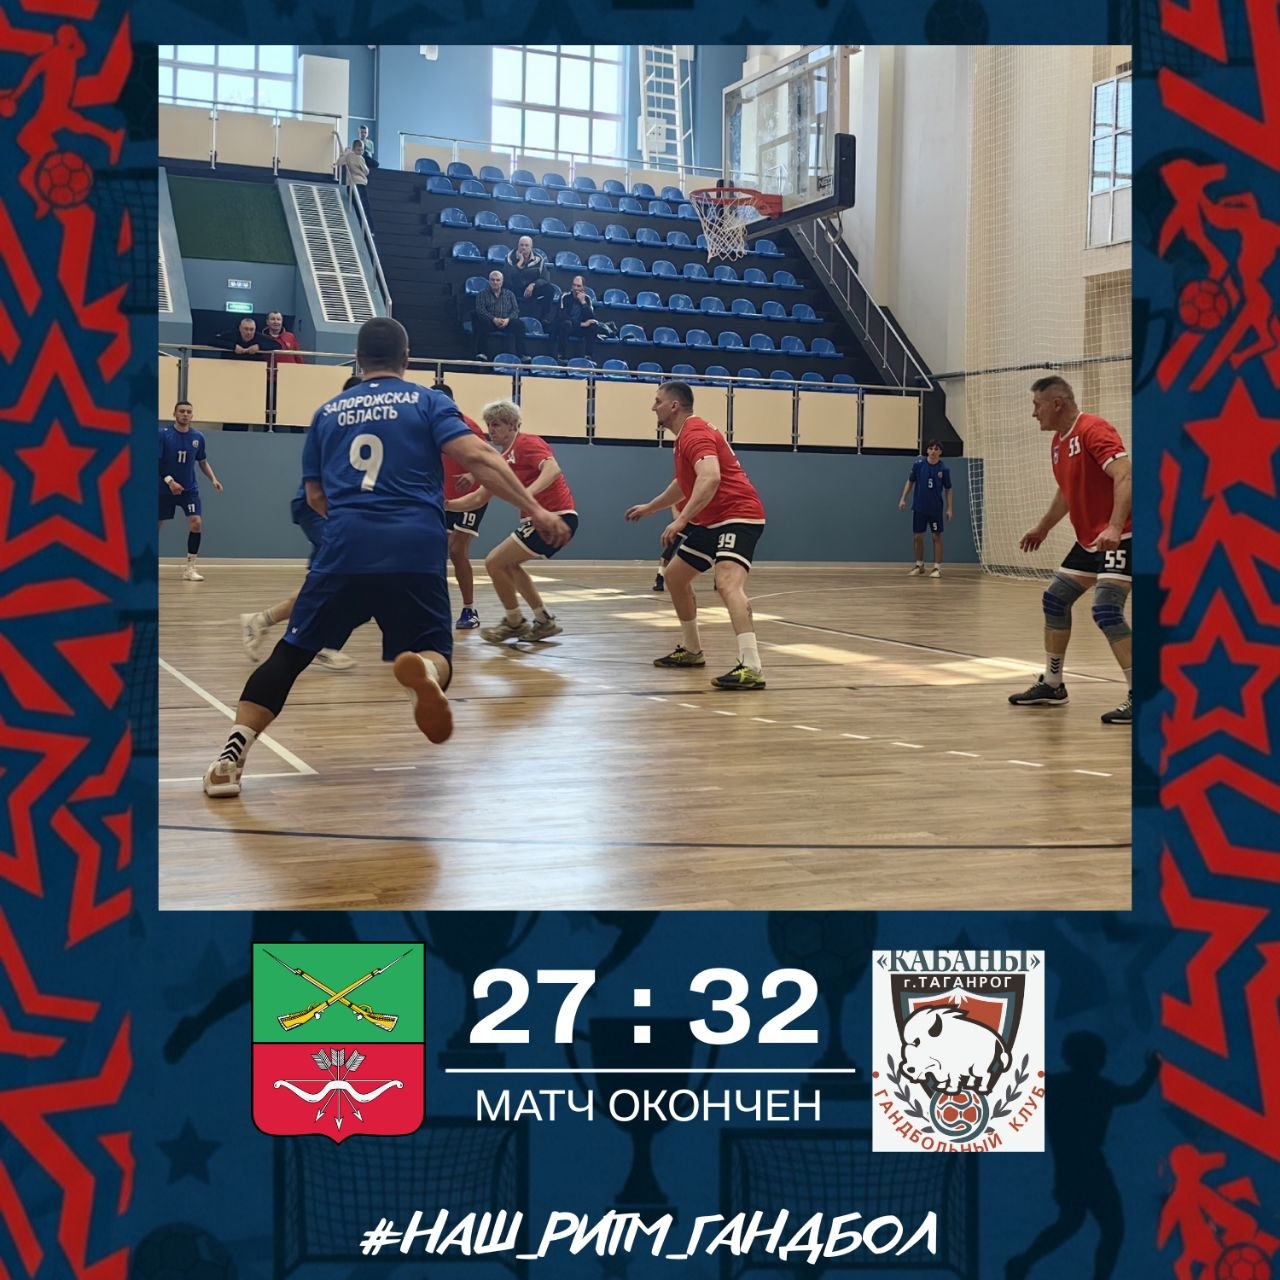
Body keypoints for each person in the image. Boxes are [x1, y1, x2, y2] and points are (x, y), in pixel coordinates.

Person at [203, 318, 570, 798]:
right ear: (407, 358)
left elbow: (315, 497)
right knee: (434, 647)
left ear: (358, 359)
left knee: (290, 654)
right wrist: (536, 509)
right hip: (415, 546)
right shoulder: (428, 402)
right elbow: (481, 458)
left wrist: (356, 522)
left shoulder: (327, 413)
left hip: (347, 545)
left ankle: (230, 758)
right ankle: (426, 674)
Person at [625, 381, 768, 690]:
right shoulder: (684, 438)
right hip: (712, 520)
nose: (653, 407)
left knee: (727, 583)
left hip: (738, 516)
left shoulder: (695, 433)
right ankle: (692, 651)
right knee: (675, 577)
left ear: (674, 405)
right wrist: (650, 507)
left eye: (658, 401)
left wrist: (680, 521)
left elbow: (711, 477)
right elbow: (684, 483)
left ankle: (752, 667)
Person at [1009, 376, 1133, 724]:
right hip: (1090, 541)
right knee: (1055, 599)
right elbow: (1067, 492)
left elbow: (1125, 475)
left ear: (1057, 404)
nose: (1034, 413)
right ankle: (1053, 685)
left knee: (1106, 609)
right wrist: (1043, 527)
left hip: (1124, 534)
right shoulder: (1058, 443)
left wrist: (1114, 526)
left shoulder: (1093, 429)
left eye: (1037, 405)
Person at [1005, 1033, 1159, 1280]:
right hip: (1093, 1170)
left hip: (1068, 1171)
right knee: (1110, 1228)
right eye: (1100, 1055)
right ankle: (1028, 1263)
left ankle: (1023, 1262)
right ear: (1094, 1059)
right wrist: (1152, 1070)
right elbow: (1134, 1093)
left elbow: (1017, 1074)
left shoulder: (1056, 1085)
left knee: (1071, 1223)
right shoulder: (1099, 1088)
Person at [239, 375, 363, 672]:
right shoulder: (338, 424)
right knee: (344, 577)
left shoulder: (360, 427)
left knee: (325, 583)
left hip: (333, 512)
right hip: (317, 509)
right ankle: (325, 645)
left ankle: (261, 621)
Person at [445, 398, 578, 644]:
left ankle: (514, 621)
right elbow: (478, 497)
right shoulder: (500, 459)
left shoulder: (526, 442)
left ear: (514, 425)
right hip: (537, 521)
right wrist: (446, 505)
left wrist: (526, 497)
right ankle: (543, 620)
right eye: (489, 425)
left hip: (557, 516)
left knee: (494, 562)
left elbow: (552, 470)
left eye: (497, 424)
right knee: (509, 566)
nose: (491, 430)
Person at [437, 382, 493, 629]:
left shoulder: (467, 426)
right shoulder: (428, 427)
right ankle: (434, 608)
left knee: (456, 550)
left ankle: (469, 610)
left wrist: (472, 474)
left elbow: (486, 458)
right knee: (434, 551)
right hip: (444, 500)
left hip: (471, 497)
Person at [159, 400, 222, 581]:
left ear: (192, 415)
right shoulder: (163, 435)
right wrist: (170, 481)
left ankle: (190, 568)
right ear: (174, 414)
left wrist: (213, 479)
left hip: (188, 490)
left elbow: (202, 461)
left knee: (196, 523)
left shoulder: (198, 437)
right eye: (182, 411)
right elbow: (156, 462)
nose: (185, 414)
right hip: (164, 488)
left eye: (188, 412)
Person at [898, 439, 953, 576]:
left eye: (936, 449)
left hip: (935, 508)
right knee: (917, 536)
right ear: (927, 450)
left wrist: (949, 508)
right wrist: (903, 498)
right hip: (919, 507)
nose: (933, 451)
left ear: (940, 452)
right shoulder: (918, 465)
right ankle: (919, 565)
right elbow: (910, 482)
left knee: (936, 536)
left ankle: (937, 567)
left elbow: (948, 489)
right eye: (931, 448)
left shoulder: (944, 469)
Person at [472, 270, 523, 361]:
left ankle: (522, 354)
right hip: (490, 322)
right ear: (489, 281)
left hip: (506, 322)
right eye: (493, 280)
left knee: (519, 324)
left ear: (502, 281)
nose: (495, 282)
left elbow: (516, 310)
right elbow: (481, 311)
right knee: (480, 321)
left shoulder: (510, 294)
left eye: (498, 280)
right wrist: (494, 319)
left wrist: (507, 320)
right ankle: (482, 353)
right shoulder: (482, 294)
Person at [505, 235, 555, 326]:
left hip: (531, 288)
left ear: (531, 247)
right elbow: (508, 276)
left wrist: (533, 284)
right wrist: (519, 263)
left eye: (526, 245)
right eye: (521, 245)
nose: (523, 247)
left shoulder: (539, 259)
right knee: (504, 285)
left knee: (550, 289)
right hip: (514, 287)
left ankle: (543, 317)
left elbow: (545, 279)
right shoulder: (510, 256)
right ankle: (507, 316)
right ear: (518, 246)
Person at [554, 274, 603, 362]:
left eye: (578, 286)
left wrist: (583, 302)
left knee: (593, 325)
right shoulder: (564, 296)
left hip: (579, 328)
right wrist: (581, 324)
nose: (575, 288)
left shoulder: (587, 299)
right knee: (566, 323)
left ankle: (588, 357)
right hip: (567, 326)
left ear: (583, 287)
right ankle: (561, 356)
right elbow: (562, 316)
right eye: (574, 285)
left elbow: (591, 317)